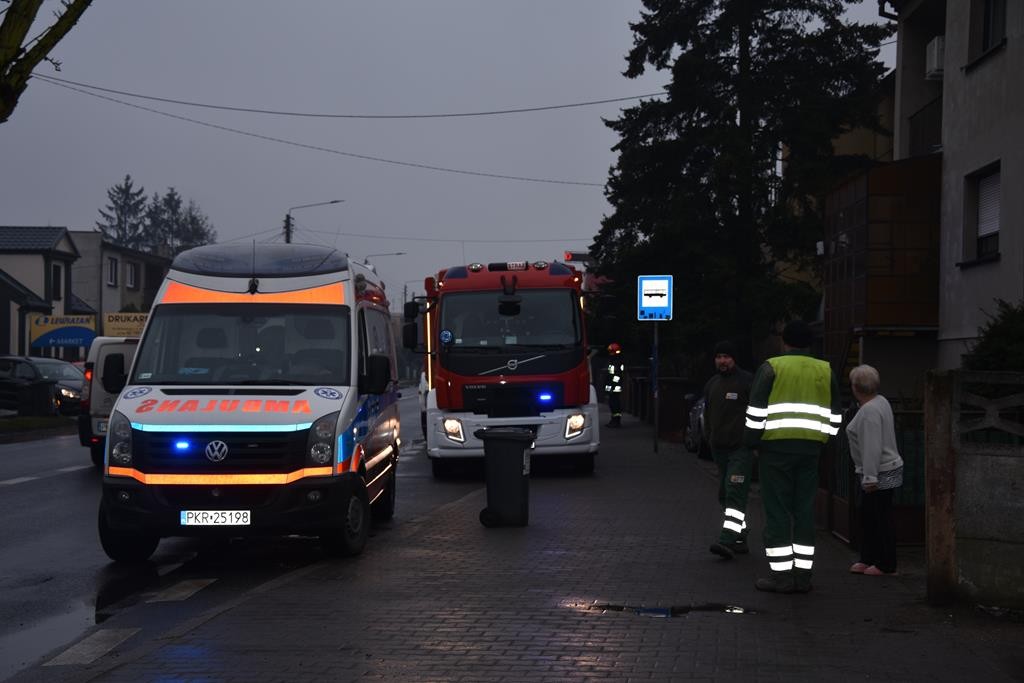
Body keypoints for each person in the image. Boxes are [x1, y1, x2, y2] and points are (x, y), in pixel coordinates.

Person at [744, 319, 841, 594]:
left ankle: (782, 578)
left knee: (777, 513)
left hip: (775, 451)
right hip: (811, 450)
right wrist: (825, 441)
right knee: (804, 512)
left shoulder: (772, 367)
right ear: (810, 343)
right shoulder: (825, 370)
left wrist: (751, 443)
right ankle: (803, 577)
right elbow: (835, 414)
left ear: (783, 341)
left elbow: (755, 413)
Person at [845, 365, 904, 577]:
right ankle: (869, 558)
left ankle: (885, 563)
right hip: (887, 469)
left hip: (877, 473)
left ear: (855, 387)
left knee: (878, 517)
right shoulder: (881, 402)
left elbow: (871, 446)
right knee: (872, 516)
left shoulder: (868, 411)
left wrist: (869, 478)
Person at [703, 340, 754, 559]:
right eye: (719, 357)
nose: (722, 361)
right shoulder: (712, 384)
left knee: (734, 492)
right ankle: (741, 536)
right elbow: (707, 414)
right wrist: (709, 440)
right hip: (719, 449)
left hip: (740, 449)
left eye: (727, 357)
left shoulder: (747, 382)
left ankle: (727, 541)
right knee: (725, 494)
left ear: (734, 359)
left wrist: (754, 443)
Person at [604, 343, 624, 428]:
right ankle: (614, 420)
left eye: (611, 351)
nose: (610, 353)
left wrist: (612, 385)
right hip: (612, 386)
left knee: (615, 404)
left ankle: (616, 421)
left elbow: (617, 375)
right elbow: (610, 374)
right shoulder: (613, 360)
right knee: (612, 403)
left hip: (615, 387)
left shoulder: (617, 361)